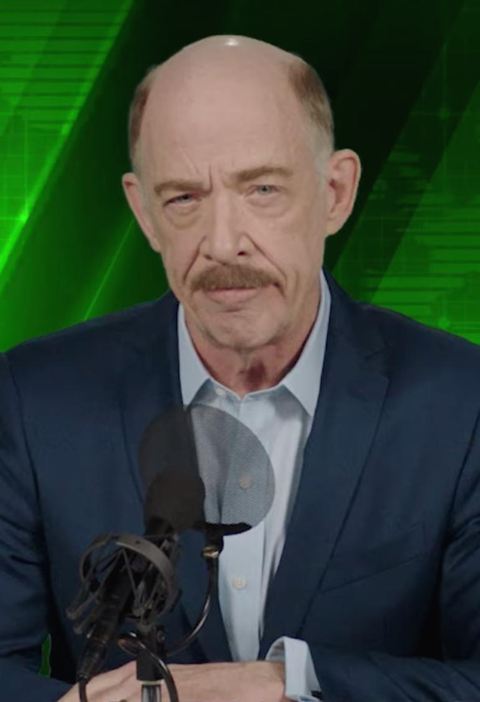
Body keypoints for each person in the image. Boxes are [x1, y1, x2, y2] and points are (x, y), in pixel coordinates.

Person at [1, 33, 480, 702]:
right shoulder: (30, 398)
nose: (224, 243)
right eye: (184, 199)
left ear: (336, 193)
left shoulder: (462, 401)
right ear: (144, 213)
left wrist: (287, 684)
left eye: (262, 189)